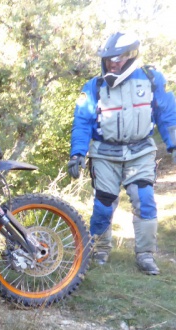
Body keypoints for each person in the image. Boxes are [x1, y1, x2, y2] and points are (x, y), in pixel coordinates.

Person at [69, 32, 176, 275]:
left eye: (117, 58)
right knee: (104, 203)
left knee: (145, 200)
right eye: (108, 59)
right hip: (105, 153)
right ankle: (100, 248)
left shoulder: (151, 79)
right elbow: (82, 121)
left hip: (140, 152)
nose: (111, 64)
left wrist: (174, 144)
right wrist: (77, 153)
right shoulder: (94, 86)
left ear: (130, 55)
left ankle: (146, 254)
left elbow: (167, 115)